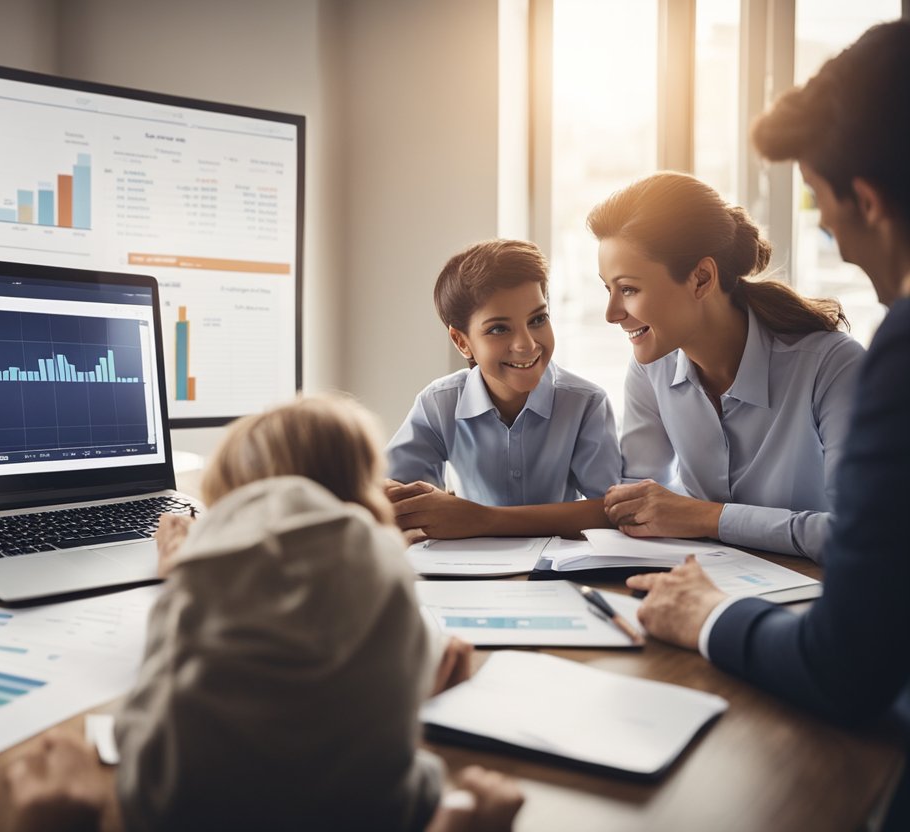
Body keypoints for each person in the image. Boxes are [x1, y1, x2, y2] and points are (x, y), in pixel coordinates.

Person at [624, 19, 910, 831]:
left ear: (870, 199)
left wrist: (702, 613)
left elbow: (845, 667)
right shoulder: (649, 374)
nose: (824, 232)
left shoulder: (879, 356)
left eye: (821, 200)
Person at [7, 395, 525, 832]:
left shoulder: (204, 565)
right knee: (417, 770)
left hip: (173, 805)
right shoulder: (380, 559)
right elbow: (401, 678)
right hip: (368, 811)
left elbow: (164, 676)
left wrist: (181, 571)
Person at [588, 171, 865, 560]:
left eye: (629, 289)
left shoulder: (832, 367)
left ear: (701, 278)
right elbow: (637, 503)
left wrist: (706, 517)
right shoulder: (651, 370)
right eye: (608, 288)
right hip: (704, 584)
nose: (612, 313)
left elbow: (859, 533)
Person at [385, 239, 621, 540]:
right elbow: (395, 498)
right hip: (468, 569)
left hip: (559, 568)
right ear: (462, 341)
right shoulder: (438, 404)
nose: (527, 344)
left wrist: (482, 519)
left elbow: (610, 511)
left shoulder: (586, 403)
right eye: (499, 329)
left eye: (538, 319)